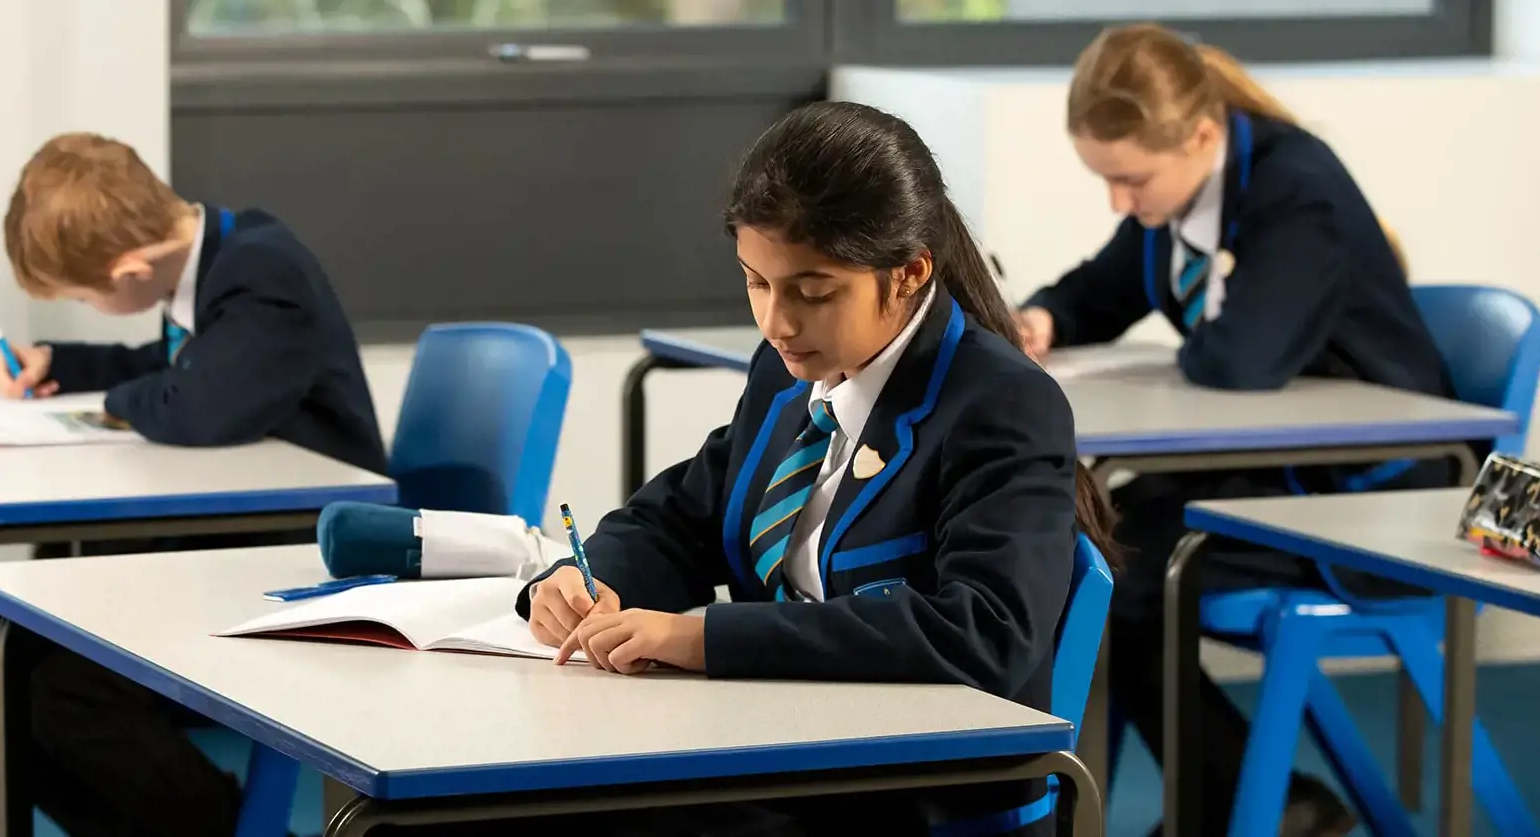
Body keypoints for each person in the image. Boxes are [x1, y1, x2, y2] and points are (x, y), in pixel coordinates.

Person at [402, 100, 1118, 837]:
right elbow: (680, 516)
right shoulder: (787, 374)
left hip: (910, 796)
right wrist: (589, 581)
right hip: (782, 753)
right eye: (756, 282)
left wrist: (704, 637)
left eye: (813, 292)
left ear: (907, 274)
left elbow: (984, 633)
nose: (776, 321)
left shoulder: (1002, 404)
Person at [1015, 23, 1459, 836]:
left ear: (1202, 136)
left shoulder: (1297, 190)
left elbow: (1241, 361)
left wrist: (1189, 329)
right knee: (1084, 544)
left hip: (1370, 499)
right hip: (1275, 474)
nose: (1121, 203)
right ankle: (1238, 798)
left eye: (1131, 180)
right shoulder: (1180, 195)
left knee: (1122, 571)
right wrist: (1047, 315)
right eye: (1104, 181)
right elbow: (1104, 288)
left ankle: (1241, 802)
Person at [0, 132, 387, 837]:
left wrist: (112, 403)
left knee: (70, 692)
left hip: (296, 552)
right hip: (220, 537)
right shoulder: (212, 262)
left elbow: (197, 405)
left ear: (132, 270)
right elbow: (176, 366)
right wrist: (63, 362)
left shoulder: (264, 272)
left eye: (82, 296)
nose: (83, 306)